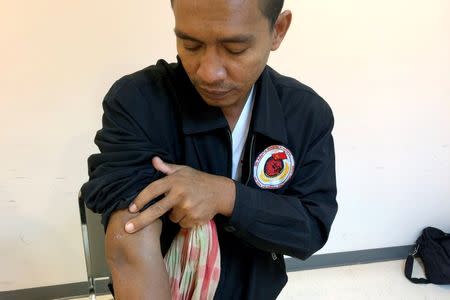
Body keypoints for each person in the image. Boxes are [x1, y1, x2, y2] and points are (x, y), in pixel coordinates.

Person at [80, 0, 338, 299]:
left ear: (277, 30)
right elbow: (130, 239)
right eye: (190, 45)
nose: (208, 73)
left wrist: (225, 196)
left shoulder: (304, 114)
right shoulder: (141, 102)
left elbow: (309, 229)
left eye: (234, 49)